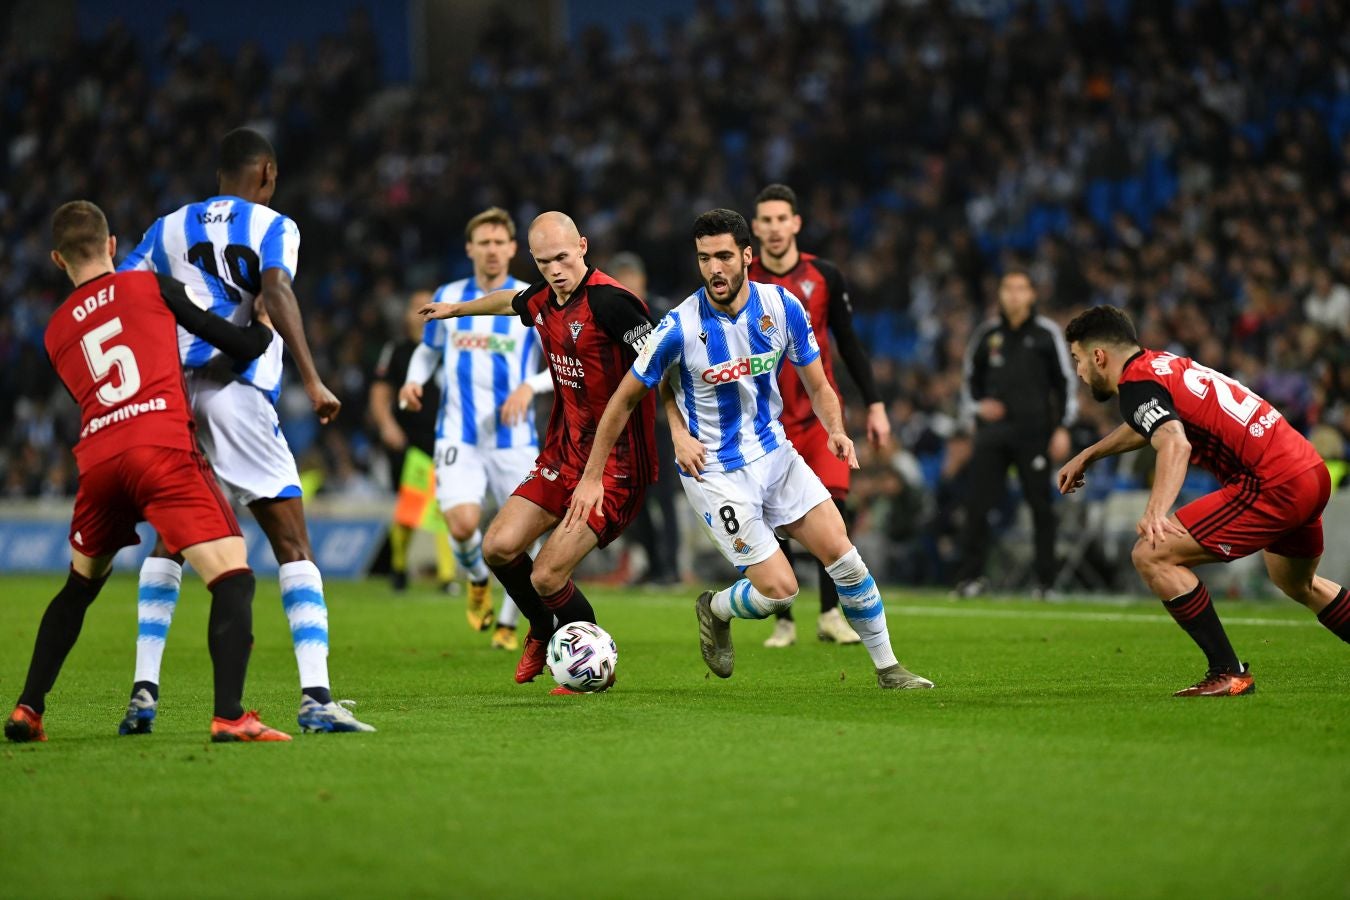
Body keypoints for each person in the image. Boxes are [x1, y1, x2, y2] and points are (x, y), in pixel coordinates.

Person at [567, 208, 932, 690]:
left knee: (845, 556)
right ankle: (715, 607)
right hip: (714, 470)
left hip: (774, 453)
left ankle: (889, 669)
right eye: (704, 259)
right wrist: (597, 474)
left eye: (722, 256)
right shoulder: (678, 326)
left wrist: (836, 430)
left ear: (746, 256)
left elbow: (820, 386)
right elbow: (623, 401)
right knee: (780, 592)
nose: (714, 269)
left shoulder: (782, 307)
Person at [116, 127, 373, 734]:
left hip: (173, 398)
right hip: (237, 396)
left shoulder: (167, 226)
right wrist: (312, 379)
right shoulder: (274, 226)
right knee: (292, 543)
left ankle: (143, 693)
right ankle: (316, 696)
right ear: (267, 173)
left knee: (174, 538)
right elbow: (277, 289)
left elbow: (124, 290)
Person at [6, 200, 289, 743]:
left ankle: (28, 708)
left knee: (78, 587)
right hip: (161, 447)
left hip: (99, 461)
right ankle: (231, 715)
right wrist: (262, 329)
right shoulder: (149, 285)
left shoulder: (55, 331)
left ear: (57, 259)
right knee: (233, 577)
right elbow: (231, 343)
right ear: (113, 245)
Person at [416, 211, 658, 691]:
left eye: (564, 258)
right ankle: (541, 628)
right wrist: (456, 310)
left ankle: (594, 669)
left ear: (583, 247)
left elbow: (660, 364)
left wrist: (684, 432)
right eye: (545, 261)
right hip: (562, 457)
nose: (556, 269)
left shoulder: (613, 304)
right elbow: (513, 300)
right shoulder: (545, 297)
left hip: (615, 469)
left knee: (548, 575)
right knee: (498, 547)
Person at [1058, 305, 1349, 696]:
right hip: (1307, 469)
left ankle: (1228, 672)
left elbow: (1173, 441)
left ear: (1099, 357)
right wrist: (1088, 454)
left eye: (1077, 359)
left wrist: (1157, 511)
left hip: (1271, 482)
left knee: (1150, 553)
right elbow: (1152, 424)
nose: (1078, 371)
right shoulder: (1161, 364)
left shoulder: (1135, 386)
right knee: (1297, 583)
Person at [400, 207, 552, 651]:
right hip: (459, 434)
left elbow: (561, 362)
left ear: (511, 249)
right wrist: (414, 379)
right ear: (470, 249)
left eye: (499, 242)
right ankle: (477, 580)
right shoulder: (450, 294)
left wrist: (529, 384)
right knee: (463, 525)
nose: (491, 250)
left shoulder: (531, 296)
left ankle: (511, 621)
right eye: (482, 242)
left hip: (515, 437)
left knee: (526, 535)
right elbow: (429, 351)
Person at [748, 183, 890, 648]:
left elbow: (848, 343)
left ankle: (830, 614)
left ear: (796, 224)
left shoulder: (824, 276)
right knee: (775, 516)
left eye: (780, 219)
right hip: (767, 423)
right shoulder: (743, 282)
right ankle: (783, 619)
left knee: (832, 506)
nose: (773, 228)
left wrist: (875, 404)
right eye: (764, 220)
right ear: (755, 228)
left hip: (818, 421)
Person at [953, 269, 1075, 598]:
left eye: (1021, 289)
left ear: (1032, 294)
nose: (1014, 295)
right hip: (993, 433)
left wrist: (1062, 427)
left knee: (1040, 506)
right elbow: (968, 384)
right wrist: (979, 408)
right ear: (1000, 294)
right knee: (978, 504)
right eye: (1008, 288)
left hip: (1034, 433)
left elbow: (1065, 384)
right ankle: (971, 578)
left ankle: (1045, 583)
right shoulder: (988, 334)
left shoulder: (1046, 333)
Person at [368, 293, 456, 594]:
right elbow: (380, 392)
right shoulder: (397, 350)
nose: (422, 312)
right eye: (415, 306)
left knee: (445, 505)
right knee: (411, 506)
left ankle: (445, 575)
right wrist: (387, 425)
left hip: (447, 439)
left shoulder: (451, 348)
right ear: (406, 314)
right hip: (410, 441)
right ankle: (401, 566)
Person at [608, 251, 682, 585]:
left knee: (663, 497)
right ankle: (652, 563)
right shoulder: (608, 311)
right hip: (626, 419)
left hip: (659, 420)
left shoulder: (662, 311)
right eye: (620, 279)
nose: (627, 285)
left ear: (643, 280)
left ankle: (671, 567)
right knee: (633, 499)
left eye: (631, 278)